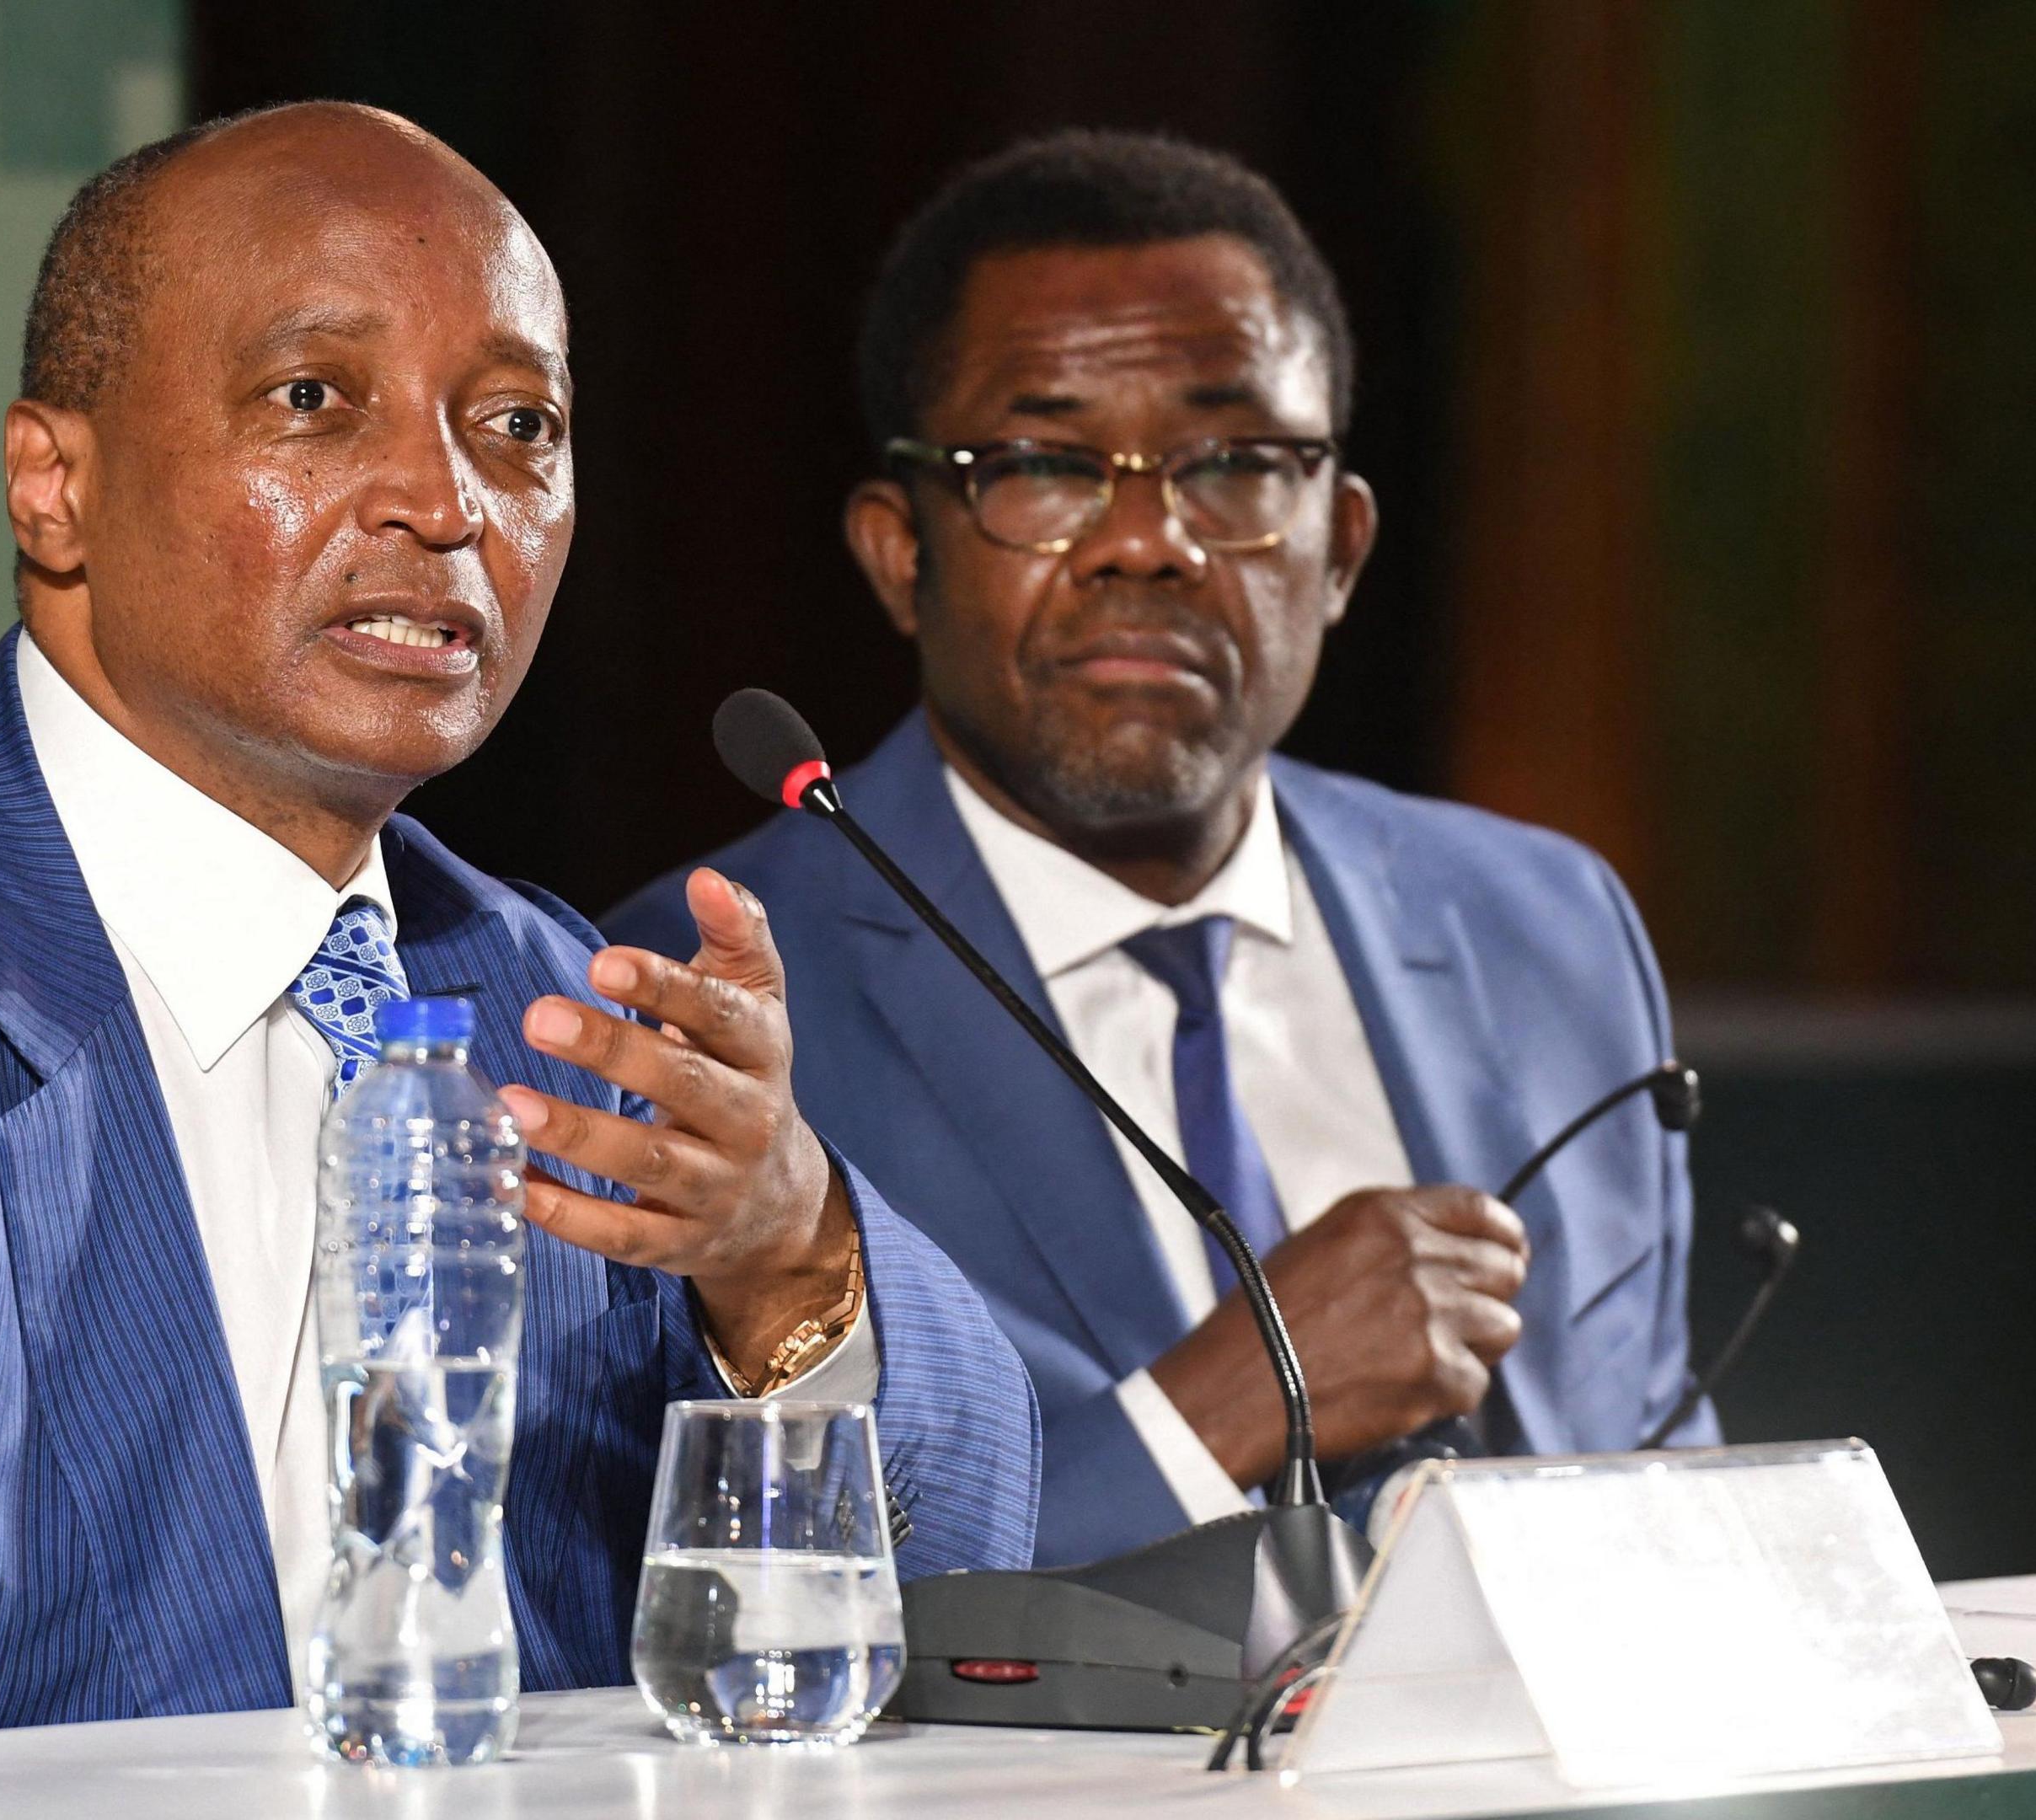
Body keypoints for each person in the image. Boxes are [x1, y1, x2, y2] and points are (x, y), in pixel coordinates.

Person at [0, 104, 1037, 1770]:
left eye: (516, 423)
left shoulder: (558, 1012)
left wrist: (786, 1252)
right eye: (311, 401)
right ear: (54, 485)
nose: (444, 500)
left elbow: (969, 1604)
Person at [608, 131, 1706, 1569]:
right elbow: (747, 1586)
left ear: (1343, 546)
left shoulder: (1546, 925)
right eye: (1048, 464)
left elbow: (1677, 1479)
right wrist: (1228, 1403)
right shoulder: (712, 1002)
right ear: (900, 552)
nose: (1147, 541)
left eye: (1236, 463)